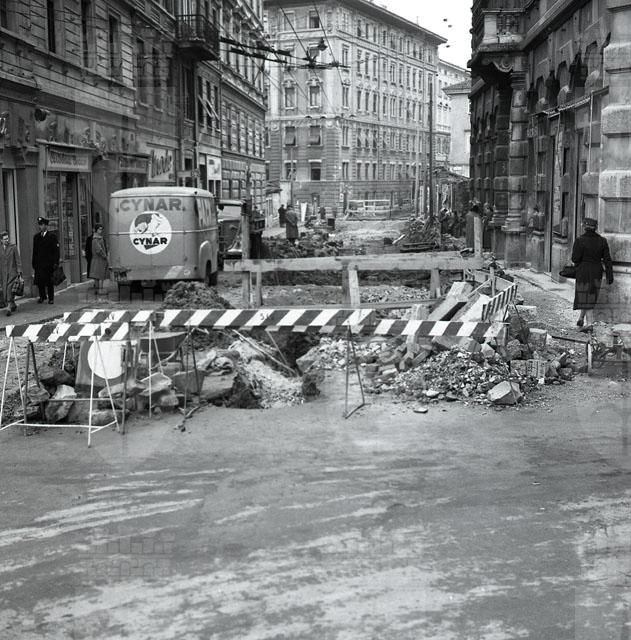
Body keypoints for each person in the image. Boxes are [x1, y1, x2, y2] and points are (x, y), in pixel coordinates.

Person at [571, 217, 613, 330]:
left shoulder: (580, 240)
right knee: (591, 293)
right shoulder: (602, 241)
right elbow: (607, 260)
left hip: (583, 270)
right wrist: (609, 275)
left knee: (585, 293)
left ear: (584, 226)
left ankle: (589, 323)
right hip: (596, 270)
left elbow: (575, 258)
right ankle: (581, 318)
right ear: (596, 228)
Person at [32, 216, 60, 304]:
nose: (40, 226)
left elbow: (56, 251)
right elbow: (35, 251)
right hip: (39, 263)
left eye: (42, 225)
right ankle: (42, 296)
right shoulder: (36, 237)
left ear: (46, 226)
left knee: (49, 282)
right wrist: (34, 263)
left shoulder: (52, 237)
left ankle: (51, 298)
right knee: (40, 281)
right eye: (39, 225)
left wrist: (55, 263)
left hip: (49, 264)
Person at [0, 231, 22, 316]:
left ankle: (9, 307)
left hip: (12, 272)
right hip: (3, 273)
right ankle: (13, 304)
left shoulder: (13, 247)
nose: (7, 240)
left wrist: (19, 271)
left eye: (7, 238)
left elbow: (18, 260)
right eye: (5, 239)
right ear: (1, 240)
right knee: (5, 289)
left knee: (9, 289)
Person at [88, 224, 109, 293]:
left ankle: (98, 290)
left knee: (98, 276)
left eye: (101, 229)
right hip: (98, 260)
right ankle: (100, 290)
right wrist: (104, 256)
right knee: (99, 276)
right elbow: (98, 250)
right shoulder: (96, 239)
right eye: (99, 229)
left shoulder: (98, 238)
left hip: (98, 260)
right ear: (96, 230)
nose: (101, 230)